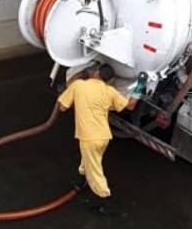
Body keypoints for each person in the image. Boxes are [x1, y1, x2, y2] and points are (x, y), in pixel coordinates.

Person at [57, 62, 137, 215]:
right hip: (103, 137)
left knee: (95, 171)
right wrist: (140, 86)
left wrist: (81, 75)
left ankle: (105, 201)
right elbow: (130, 106)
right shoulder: (109, 91)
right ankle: (81, 181)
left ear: (96, 73)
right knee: (89, 159)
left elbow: (62, 107)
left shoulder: (79, 86)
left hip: (89, 137)